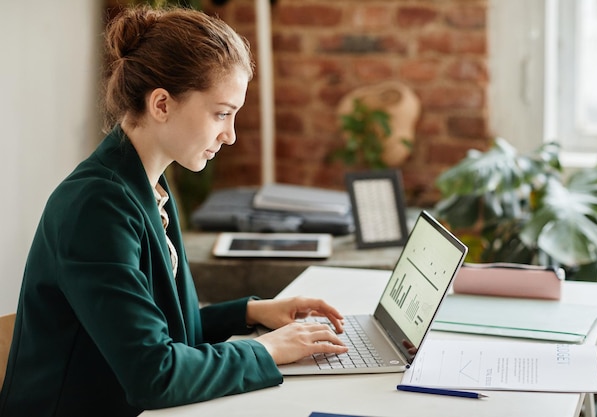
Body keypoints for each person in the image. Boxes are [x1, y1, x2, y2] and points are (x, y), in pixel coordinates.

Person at [0, 5, 348, 417]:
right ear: (161, 104)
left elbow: (167, 330)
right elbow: (156, 374)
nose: (231, 135)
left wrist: (253, 312)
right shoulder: (97, 206)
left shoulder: (148, 185)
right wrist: (266, 350)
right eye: (222, 113)